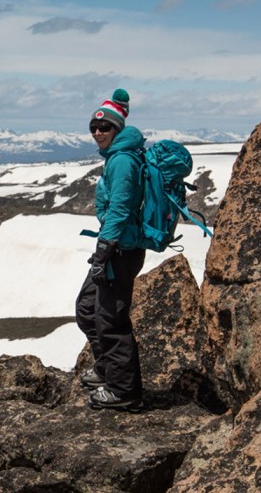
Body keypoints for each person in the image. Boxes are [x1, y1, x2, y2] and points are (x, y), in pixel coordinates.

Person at [75, 89, 146, 412]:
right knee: (88, 308)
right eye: (94, 127)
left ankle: (123, 390)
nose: (98, 133)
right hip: (114, 247)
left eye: (104, 128)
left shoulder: (122, 161)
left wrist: (104, 249)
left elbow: (120, 208)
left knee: (111, 320)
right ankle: (107, 368)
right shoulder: (119, 157)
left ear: (117, 129)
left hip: (119, 250)